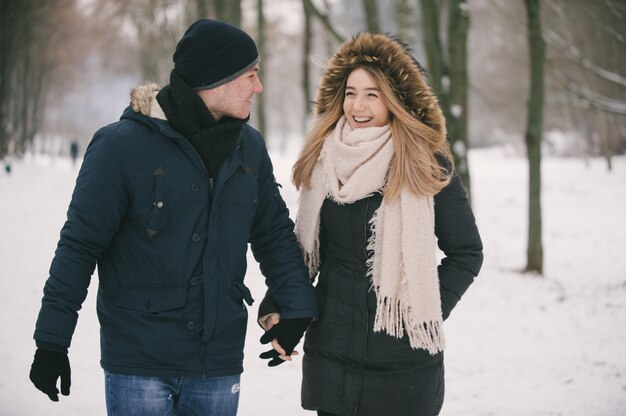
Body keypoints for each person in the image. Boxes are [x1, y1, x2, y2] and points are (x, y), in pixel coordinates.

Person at [29, 19, 316, 415]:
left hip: (217, 361)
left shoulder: (249, 148)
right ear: (216, 80)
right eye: (251, 75)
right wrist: (51, 341)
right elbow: (80, 246)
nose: (258, 87)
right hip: (139, 362)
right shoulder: (120, 147)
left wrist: (297, 309)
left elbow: (272, 233)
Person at [258, 32, 483, 416]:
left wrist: (420, 310)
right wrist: (280, 306)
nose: (357, 106)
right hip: (332, 361)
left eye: (372, 94)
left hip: (403, 368)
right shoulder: (324, 158)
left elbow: (467, 253)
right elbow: (305, 252)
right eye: (350, 92)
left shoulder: (424, 163)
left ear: (396, 99)